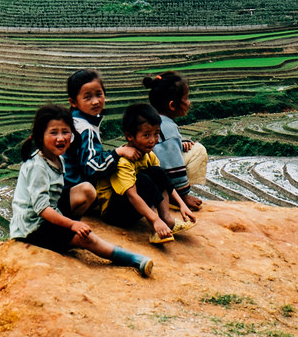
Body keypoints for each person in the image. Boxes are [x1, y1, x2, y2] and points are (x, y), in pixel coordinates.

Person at [10, 104, 154, 277]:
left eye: (65, 132)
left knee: (87, 190)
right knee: (88, 239)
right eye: (53, 132)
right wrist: (72, 224)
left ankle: (68, 235)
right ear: (40, 136)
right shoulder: (37, 167)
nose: (61, 138)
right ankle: (134, 260)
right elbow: (42, 209)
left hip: (49, 213)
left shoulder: (57, 159)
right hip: (32, 228)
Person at [95, 103, 196, 244]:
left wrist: (181, 205)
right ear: (130, 136)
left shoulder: (148, 155)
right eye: (146, 135)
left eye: (156, 134)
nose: (153, 140)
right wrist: (154, 220)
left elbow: (163, 181)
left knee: (157, 172)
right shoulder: (123, 161)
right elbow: (132, 195)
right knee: (143, 180)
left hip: (132, 206)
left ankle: (167, 219)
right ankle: (155, 228)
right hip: (114, 213)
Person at [63, 69, 139, 201]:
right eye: (87, 97)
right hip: (73, 189)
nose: (95, 101)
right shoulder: (85, 128)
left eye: (99, 94)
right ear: (73, 102)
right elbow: (91, 167)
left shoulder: (73, 121)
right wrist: (117, 152)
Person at [144, 71, 209, 211]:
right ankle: (177, 197)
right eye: (186, 98)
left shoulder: (148, 119)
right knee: (198, 150)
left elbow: (162, 148)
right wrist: (184, 196)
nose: (189, 102)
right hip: (159, 178)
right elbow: (173, 166)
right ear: (172, 105)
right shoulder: (169, 129)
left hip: (146, 174)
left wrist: (179, 144)